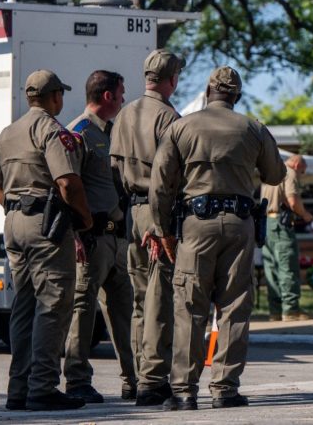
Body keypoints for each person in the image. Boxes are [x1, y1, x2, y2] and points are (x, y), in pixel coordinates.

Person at [147, 66, 285, 410]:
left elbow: (160, 185)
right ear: (236, 96)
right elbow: (276, 173)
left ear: (208, 93)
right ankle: (225, 389)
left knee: (190, 306)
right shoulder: (253, 128)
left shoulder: (181, 127)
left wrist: (163, 230)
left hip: (195, 224)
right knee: (235, 307)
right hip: (240, 224)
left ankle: (183, 391)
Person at [0, 69, 92, 411]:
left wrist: (17, 208)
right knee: (54, 303)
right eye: (61, 94)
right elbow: (67, 182)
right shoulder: (50, 129)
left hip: (14, 222)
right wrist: (85, 219)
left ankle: (18, 388)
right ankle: (43, 387)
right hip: (45, 226)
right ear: (54, 97)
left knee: (25, 304)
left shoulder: (8, 132)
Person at [109, 49, 183, 406]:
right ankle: (153, 380)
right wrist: (161, 223)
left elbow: (113, 169)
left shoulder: (125, 113)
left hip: (131, 212)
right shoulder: (167, 117)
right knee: (159, 298)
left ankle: (139, 376)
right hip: (157, 214)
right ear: (172, 79)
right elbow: (170, 176)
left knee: (140, 298)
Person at [63, 70, 137, 403]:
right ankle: (77, 380)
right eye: (120, 93)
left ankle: (134, 379)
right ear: (107, 96)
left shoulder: (112, 133)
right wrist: (75, 233)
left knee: (125, 311)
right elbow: (65, 185)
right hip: (91, 239)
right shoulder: (78, 133)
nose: (123, 98)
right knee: (83, 310)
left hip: (117, 238)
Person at [261, 154, 313, 321]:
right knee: (287, 266)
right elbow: (292, 201)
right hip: (281, 225)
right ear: (297, 164)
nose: (301, 175)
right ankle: (290, 310)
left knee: (271, 269)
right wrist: (306, 215)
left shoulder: (271, 172)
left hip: (267, 223)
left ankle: (275, 311)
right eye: (303, 171)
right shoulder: (289, 172)